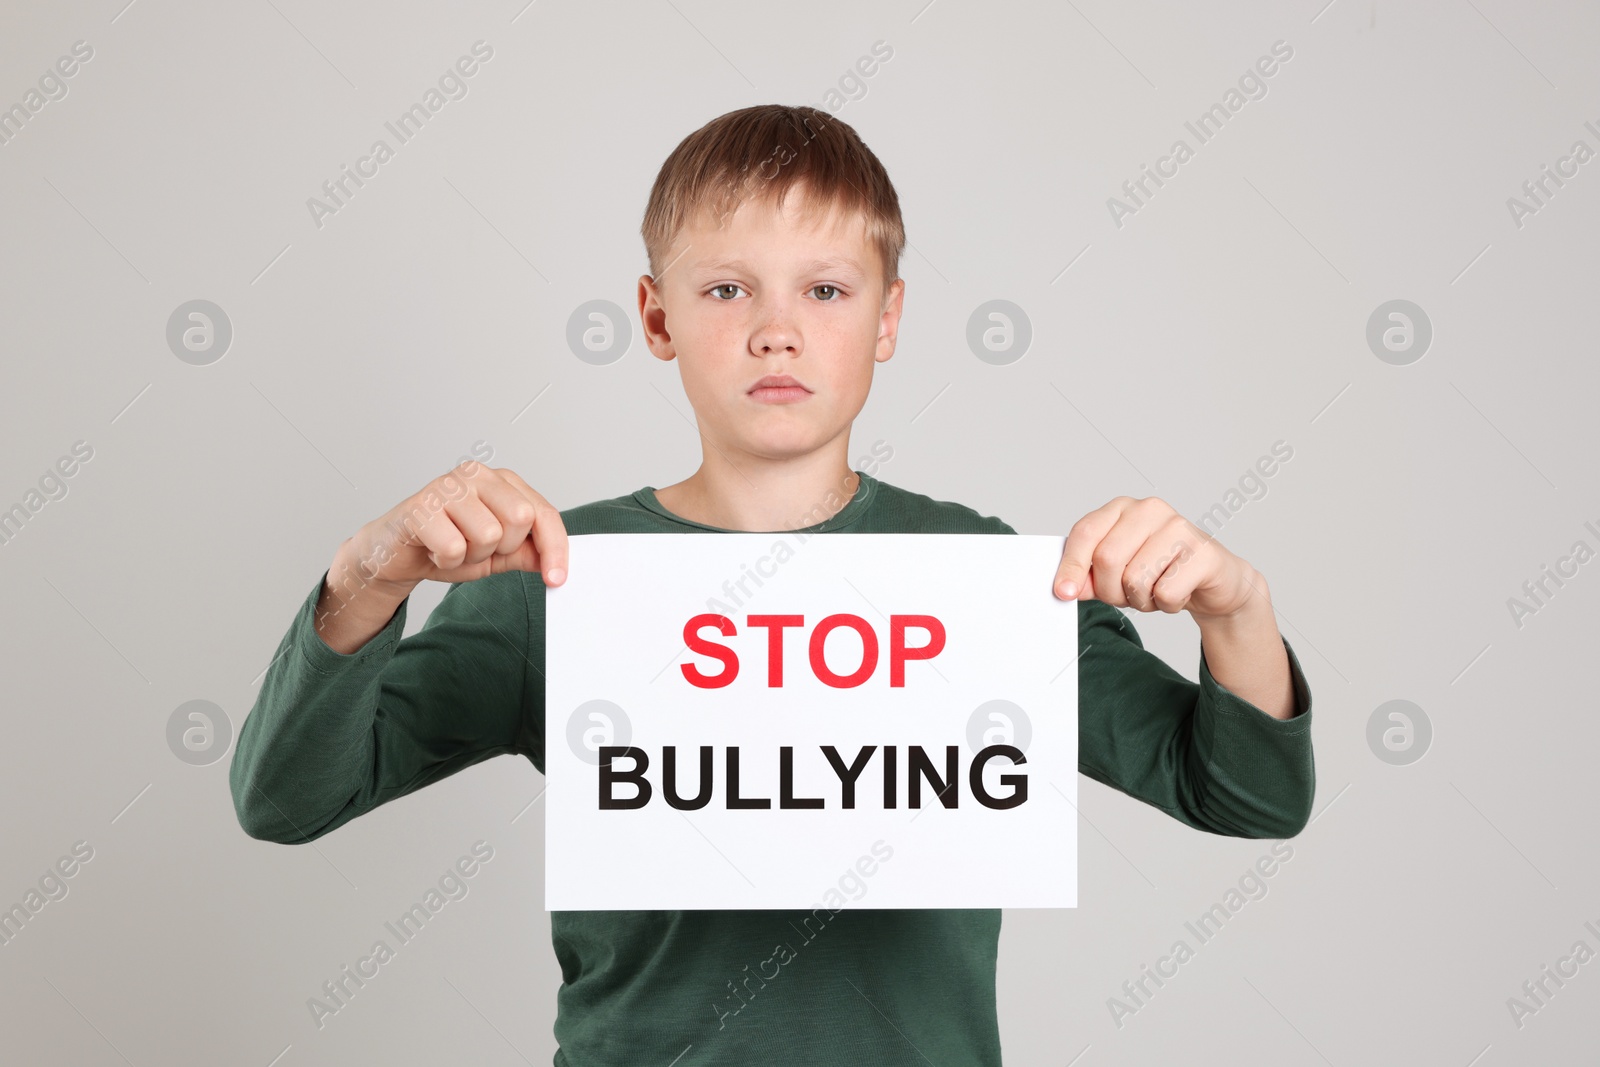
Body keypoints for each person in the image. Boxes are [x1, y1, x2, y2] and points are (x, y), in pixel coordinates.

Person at [230, 103, 1315, 1065]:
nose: (776, 327)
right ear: (656, 317)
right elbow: (286, 798)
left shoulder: (980, 583)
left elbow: (1247, 795)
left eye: (827, 288)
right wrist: (366, 578)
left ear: (887, 319)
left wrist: (1235, 608)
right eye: (725, 287)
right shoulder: (556, 580)